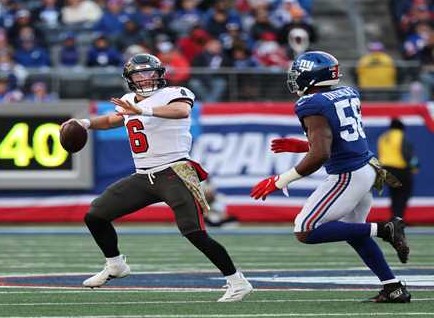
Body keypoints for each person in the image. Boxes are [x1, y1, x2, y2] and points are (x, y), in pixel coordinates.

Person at [62, 53, 252, 302]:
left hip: (174, 172)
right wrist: (84, 123)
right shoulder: (129, 100)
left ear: (159, 74)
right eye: (138, 74)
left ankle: (237, 281)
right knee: (96, 215)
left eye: (149, 72)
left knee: (193, 231)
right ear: (130, 79)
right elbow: (111, 120)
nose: (145, 78)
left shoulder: (175, 93)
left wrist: (142, 109)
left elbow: (180, 111)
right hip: (144, 176)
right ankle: (115, 265)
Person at [250, 51, 411, 303]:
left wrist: (279, 181)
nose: (295, 80)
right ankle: (393, 287)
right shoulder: (348, 92)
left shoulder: (311, 104)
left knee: (305, 229)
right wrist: (306, 145)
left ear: (311, 77)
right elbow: (339, 137)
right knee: (354, 231)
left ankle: (385, 229)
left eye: (299, 75)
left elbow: (321, 155)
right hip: (367, 167)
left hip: (348, 174)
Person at [378, 119, 418, 219]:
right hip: (400, 170)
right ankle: (398, 218)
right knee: (403, 194)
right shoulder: (401, 136)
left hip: (386, 171)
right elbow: (407, 154)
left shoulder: (383, 137)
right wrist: (414, 167)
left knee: (394, 194)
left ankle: (394, 218)